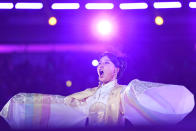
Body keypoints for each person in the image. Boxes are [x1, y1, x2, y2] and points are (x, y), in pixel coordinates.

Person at [0, 52, 195, 129]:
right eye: (99, 63)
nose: (100, 66)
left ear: (116, 69)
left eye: (106, 63)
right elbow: (62, 104)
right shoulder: (89, 92)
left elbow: (143, 103)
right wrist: (24, 106)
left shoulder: (124, 92)